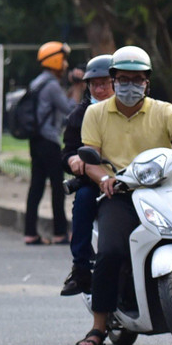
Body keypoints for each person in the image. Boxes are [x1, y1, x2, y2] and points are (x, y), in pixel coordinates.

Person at [72, 46, 172, 345]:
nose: (130, 85)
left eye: (137, 79)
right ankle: (99, 325)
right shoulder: (95, 114)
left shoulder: (163, 110)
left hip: (165, 190)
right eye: (123, 79)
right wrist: (104, 179)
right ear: (114, 79)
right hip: (120, 194)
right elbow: (90, 157)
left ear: (147, 82)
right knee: (110, 251)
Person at [59, 55, 113, 296]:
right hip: (95, 181)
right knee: (83, 199)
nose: (99, 90)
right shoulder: (79, 115)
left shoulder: (137, 110)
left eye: (105, 83)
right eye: (94, 84)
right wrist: (74, 160)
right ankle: (81, 266)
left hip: (135, 179)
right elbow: (67, 153)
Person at [23, 41, 74, 245]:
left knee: (36, 186)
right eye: (63, 59)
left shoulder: (37, 82)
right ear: (55, 60)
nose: (66, 64)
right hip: (49, 141)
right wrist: (78, 88)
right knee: (57, 186)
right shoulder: (52, 85)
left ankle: (30, 233)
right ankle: (60, 232)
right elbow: (69, 109)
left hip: (35, 140)